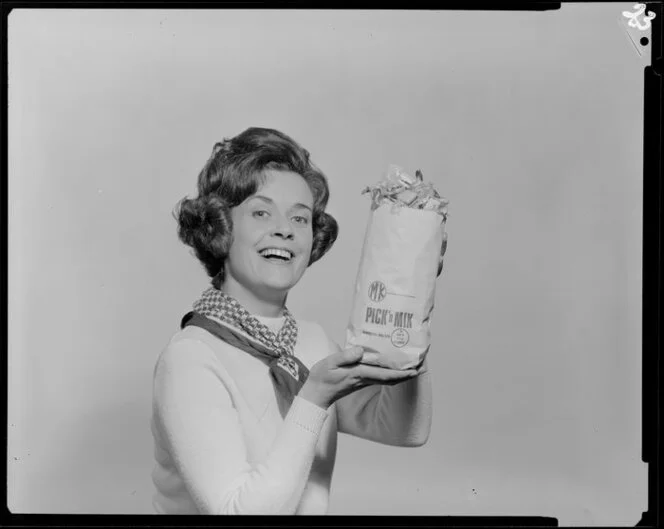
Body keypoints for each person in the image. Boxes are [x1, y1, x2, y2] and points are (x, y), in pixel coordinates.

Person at [150, 127, 447, 515]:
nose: (285, 230)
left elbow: (405, 429)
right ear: (220, 228)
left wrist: (412, 302)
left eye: (300, 218)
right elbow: (237, 515)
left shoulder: (311, 342)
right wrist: (314, 398)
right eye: (261, 212)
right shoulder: (191, 357)